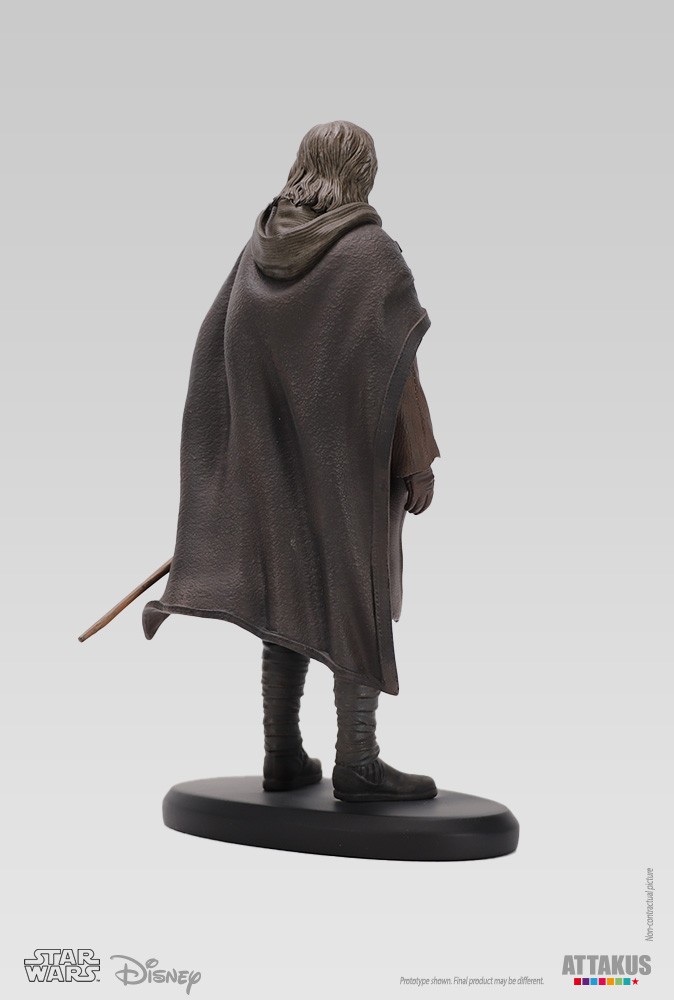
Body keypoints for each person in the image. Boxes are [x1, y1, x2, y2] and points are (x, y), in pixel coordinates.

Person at [142, 121, 441, 801]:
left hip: (274, 474)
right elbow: (397, 369)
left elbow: (223, 348)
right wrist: (416, 458)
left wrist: (236, 468)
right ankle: (358, 763)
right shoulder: (369, 253)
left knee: (286, 595)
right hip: (346, 474)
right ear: (360, 171)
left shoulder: (259, 247)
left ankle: (282, 755)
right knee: (353, 599)